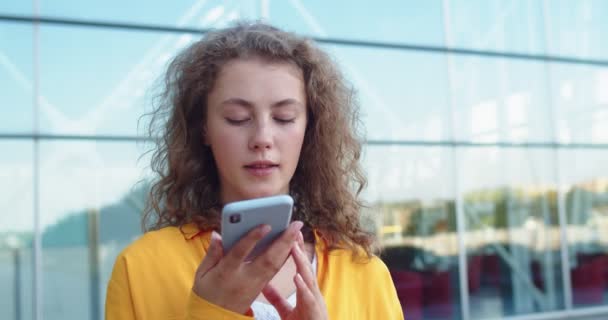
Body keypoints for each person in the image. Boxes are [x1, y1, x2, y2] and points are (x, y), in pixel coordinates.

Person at [105, 21, 404, 320]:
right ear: (204, 129)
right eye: (237, 118)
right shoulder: (141, 267)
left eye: (284, 118)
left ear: (310, 129)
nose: (262, 138)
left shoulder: (365, 273)